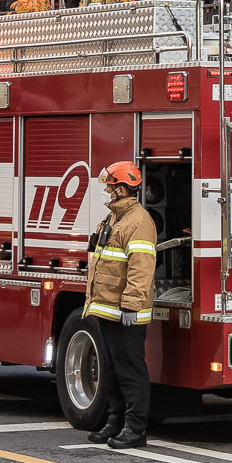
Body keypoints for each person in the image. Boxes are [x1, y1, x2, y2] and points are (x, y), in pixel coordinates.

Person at [81, 160, 157, 448]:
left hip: (125, 312)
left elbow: (141, 269)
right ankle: (116, 421)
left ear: (122, 189)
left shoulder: (138, 222)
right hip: (106, 308)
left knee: (130, 371)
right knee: (111, 369)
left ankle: (135, 429)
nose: (106, 191)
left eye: (109, 186)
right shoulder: (114, 218)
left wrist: (131, 306)